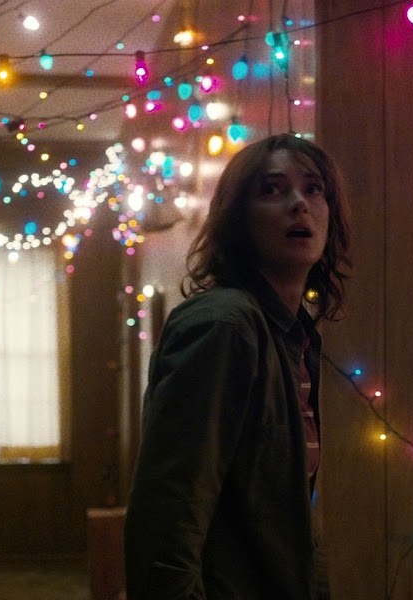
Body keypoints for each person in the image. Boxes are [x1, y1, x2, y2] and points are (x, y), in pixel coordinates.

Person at [124, 133, 351, 599]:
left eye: (313, 189)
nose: (299, 204)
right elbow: (170, 511)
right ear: (238, 219)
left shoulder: (294, 335)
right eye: (272, 189)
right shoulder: (224, 326)